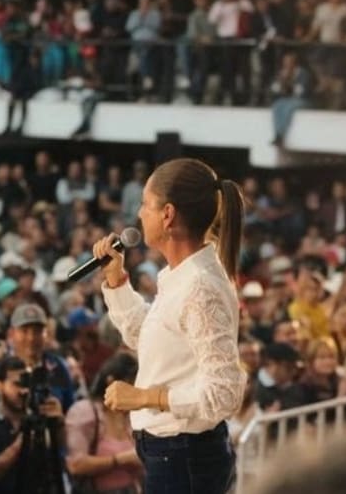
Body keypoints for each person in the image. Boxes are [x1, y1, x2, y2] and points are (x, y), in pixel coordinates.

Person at [92, 157, 245, 494]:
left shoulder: (200, 286)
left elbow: (224, 393)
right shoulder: (183, 275)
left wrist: (145, 397)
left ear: (168, 214)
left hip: (184, 455)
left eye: (145, 204)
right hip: (174, 453)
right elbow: (149, 339)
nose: (139, 214)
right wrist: (116, 280)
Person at [0, 356, 66, 494]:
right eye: (17, 384)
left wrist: (59, 424)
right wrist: (20, 445)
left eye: (26, 384)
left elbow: (60, 454)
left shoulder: (39, 421)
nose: (23, 391)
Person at [0, 303, 74, 421]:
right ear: (11, 334)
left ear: (46, 334)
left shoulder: (58, 367)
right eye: (24, 331)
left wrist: (60, 418)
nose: (31, 338)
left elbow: (73, 416)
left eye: (37, 331)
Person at [66, 352, 143, 494]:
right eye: (131, 385)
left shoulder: (132, 415)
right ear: (111, 382)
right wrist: (121, 459)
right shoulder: (85, 412)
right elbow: (75, 465)